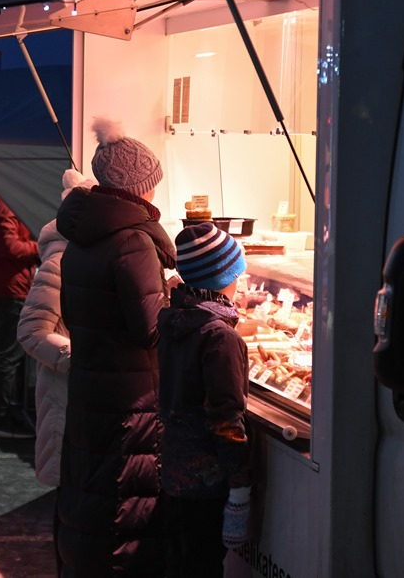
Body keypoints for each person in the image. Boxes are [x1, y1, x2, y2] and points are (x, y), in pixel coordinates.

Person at [54, 116, 176, 576]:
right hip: (132, 400)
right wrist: (182, 305)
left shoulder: (84, 237)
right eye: (150, 185)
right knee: (126, 509)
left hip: (93, 387)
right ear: (137, 187)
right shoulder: (132, 241)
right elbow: (151, 329)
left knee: (92, 498)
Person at [158, 221, 252, 577]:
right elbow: (226, 419)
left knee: (180, 564)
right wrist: (240, 484)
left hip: (175, 472)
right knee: (202, 566)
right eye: (237, 272)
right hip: (206, 480)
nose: (241, 281)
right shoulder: (220, 337)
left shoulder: (175, 321)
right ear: (222, 277)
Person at [16, 168, 96, 576]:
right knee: (71, 514)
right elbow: (31, 332)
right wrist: (81, 359)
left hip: (78, 403)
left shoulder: (85, 253)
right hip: (66, 401)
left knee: (79, 515)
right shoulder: (62, 258)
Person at [0, 190, 39, 438]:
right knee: (8, 356)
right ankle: (0, 417)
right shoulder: (5, 202)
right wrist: (39, 245)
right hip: (10, 287)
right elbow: (10, 246)